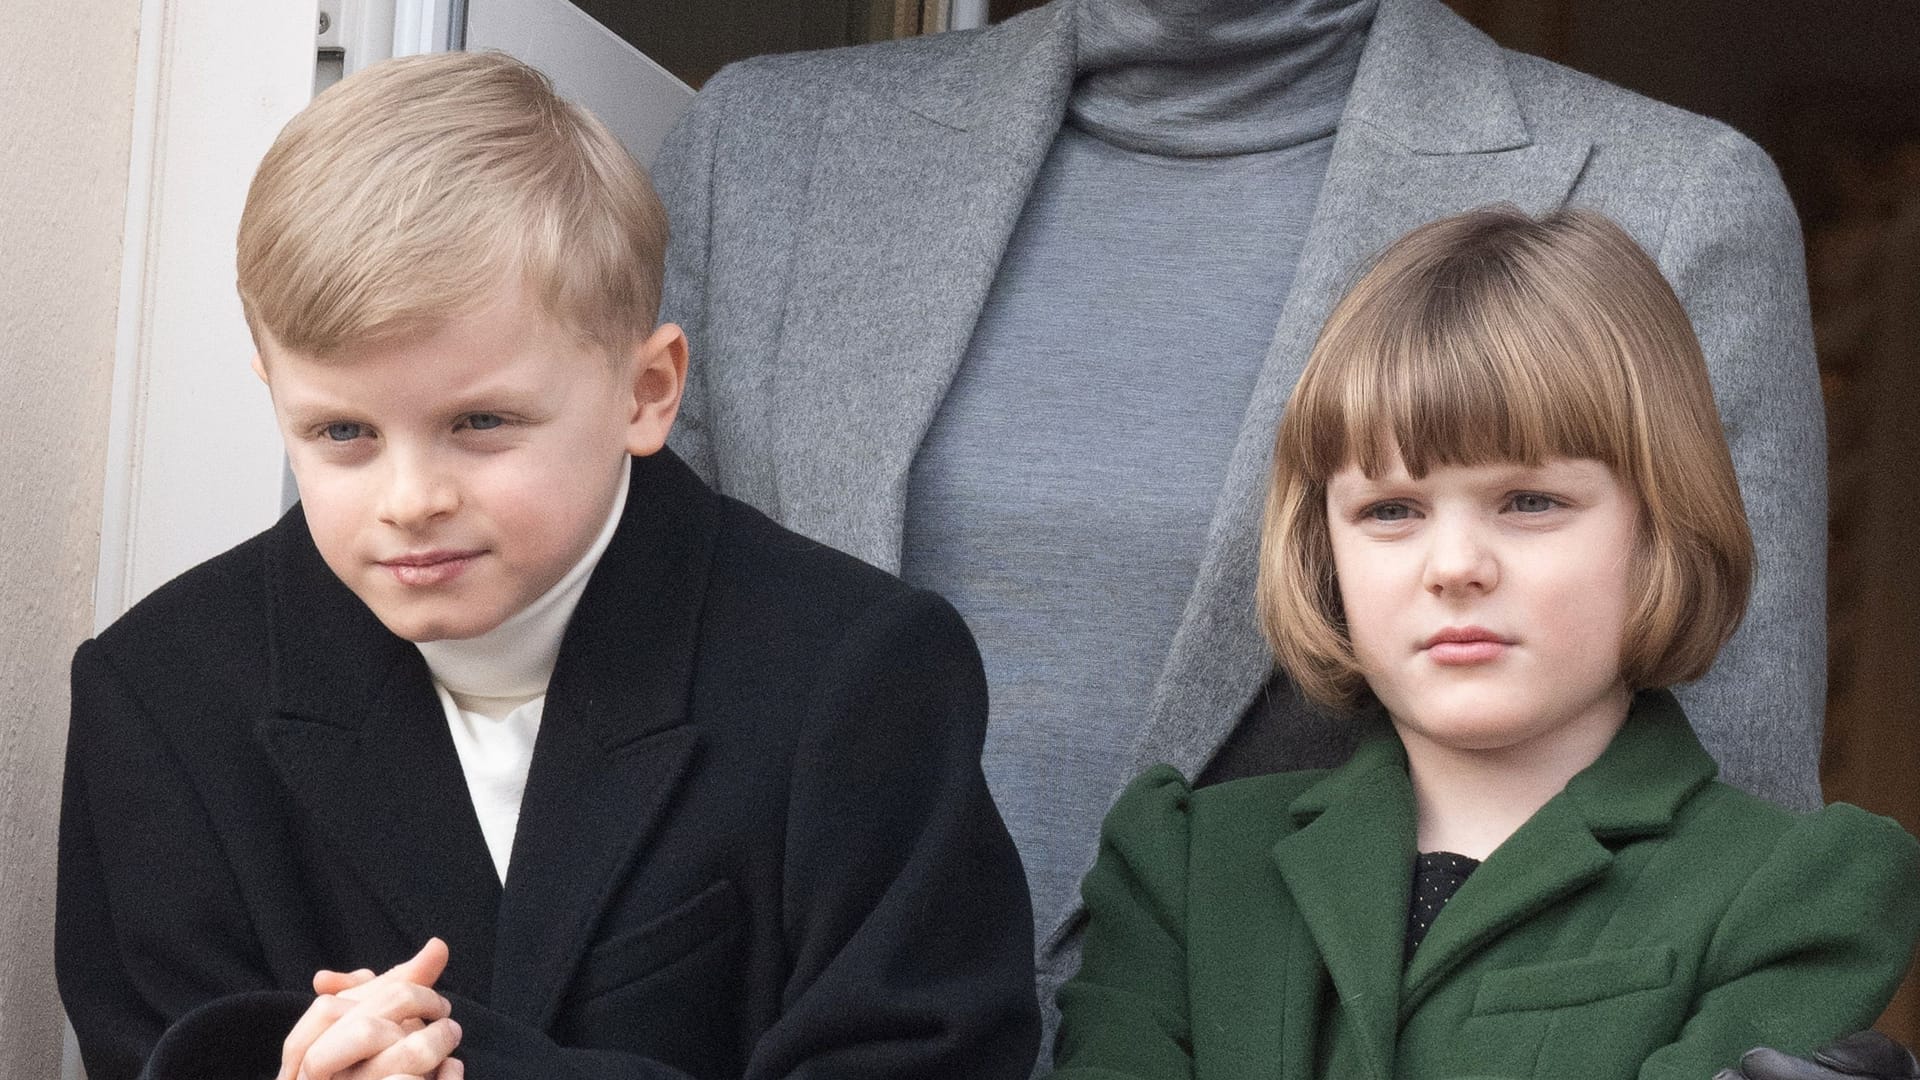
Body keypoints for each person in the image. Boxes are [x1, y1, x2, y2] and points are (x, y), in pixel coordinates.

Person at [650, 0, 1830, 1041]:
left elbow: (1725, 830)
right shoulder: (758, 152)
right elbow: (632, 726)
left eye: (1523, 504)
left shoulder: (1671, 198)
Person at [55, 50, 1040, 1080]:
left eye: (480, 422)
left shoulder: (858, 673)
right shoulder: (162, 696)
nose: (409, 498)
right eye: (342, 432)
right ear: (274, 394)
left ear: (647, 391)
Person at [1044, 206, 1920, 1079]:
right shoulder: (1186, 865)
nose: (1455, 567)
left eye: (1530, 501)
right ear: (1325, 547)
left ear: (1663, 522)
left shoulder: (1798, 892)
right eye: (1391, 511)